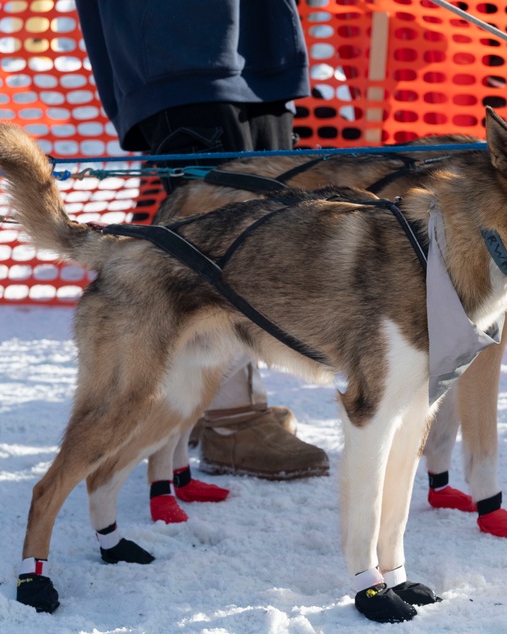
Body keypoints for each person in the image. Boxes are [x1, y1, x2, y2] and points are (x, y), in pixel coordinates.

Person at [75, 0, 330, 524]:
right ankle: (230, 422)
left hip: (260, 53)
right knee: (216, 261)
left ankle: (202, 419)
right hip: (182, 51)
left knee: (263, 244)